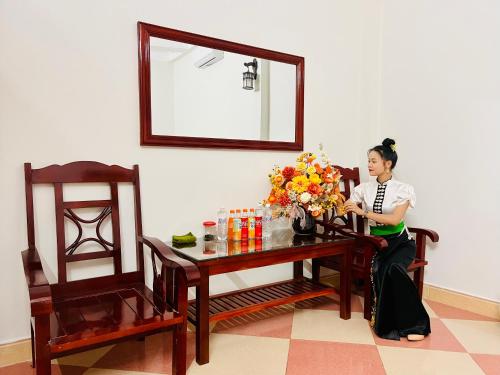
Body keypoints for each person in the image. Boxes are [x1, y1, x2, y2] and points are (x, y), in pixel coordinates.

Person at [343, 138, 430, 341]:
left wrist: (363, 213)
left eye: (373, 161)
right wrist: (332, 199)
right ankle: (390, 324)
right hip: (377, 244)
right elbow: (348, 205)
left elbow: (394, 220)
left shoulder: (403, 189)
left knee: (394, 269)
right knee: (381, 270)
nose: (369, 165)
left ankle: (416, 325)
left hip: (401, 242)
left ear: (387, 163)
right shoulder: (364, 188)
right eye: (368, 161)